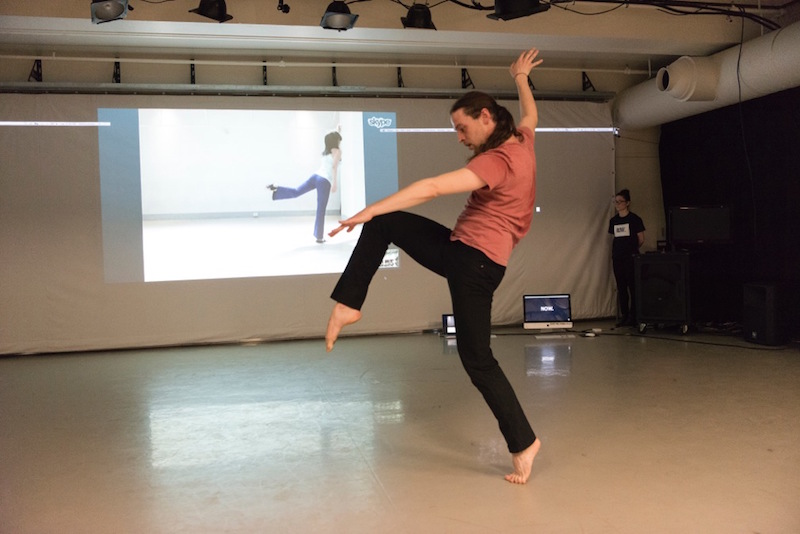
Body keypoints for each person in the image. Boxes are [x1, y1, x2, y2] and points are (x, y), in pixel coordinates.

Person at [324, 48, 544, 484]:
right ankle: (349, 304)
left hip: (472, 264)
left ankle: (524, 443)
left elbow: (431, 187)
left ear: (485, 117)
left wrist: (368, 209)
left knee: (477, 360)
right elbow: (532, 116)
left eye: (462, 128)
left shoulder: (497, 161)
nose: (460, 137)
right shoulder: (520, 141)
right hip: (465, 254)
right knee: (387, 223)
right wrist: (520, 78)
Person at [267, 130, 341, 243]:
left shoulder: (327, 151)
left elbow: (332, 139)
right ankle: (319, 237)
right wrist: (335, 183)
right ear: (336, 141)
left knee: (296, 192)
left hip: (315, 176)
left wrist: (338, 129)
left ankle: (277, 189)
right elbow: (334, 167)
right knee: (321, 209)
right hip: (325, 181)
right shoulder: (337, 151)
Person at [608, 189, 645, 326]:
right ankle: (625, 315)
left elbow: (641, 239)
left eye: (620, 202)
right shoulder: (614, 221)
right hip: (618, 257)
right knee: (621, 287)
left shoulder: (635, 219)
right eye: (616, 202)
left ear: (627, 203)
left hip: (631, 257)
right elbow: (615, 238)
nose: (618, 204)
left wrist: (632, 249)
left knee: (633, 286)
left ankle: (635, 315)